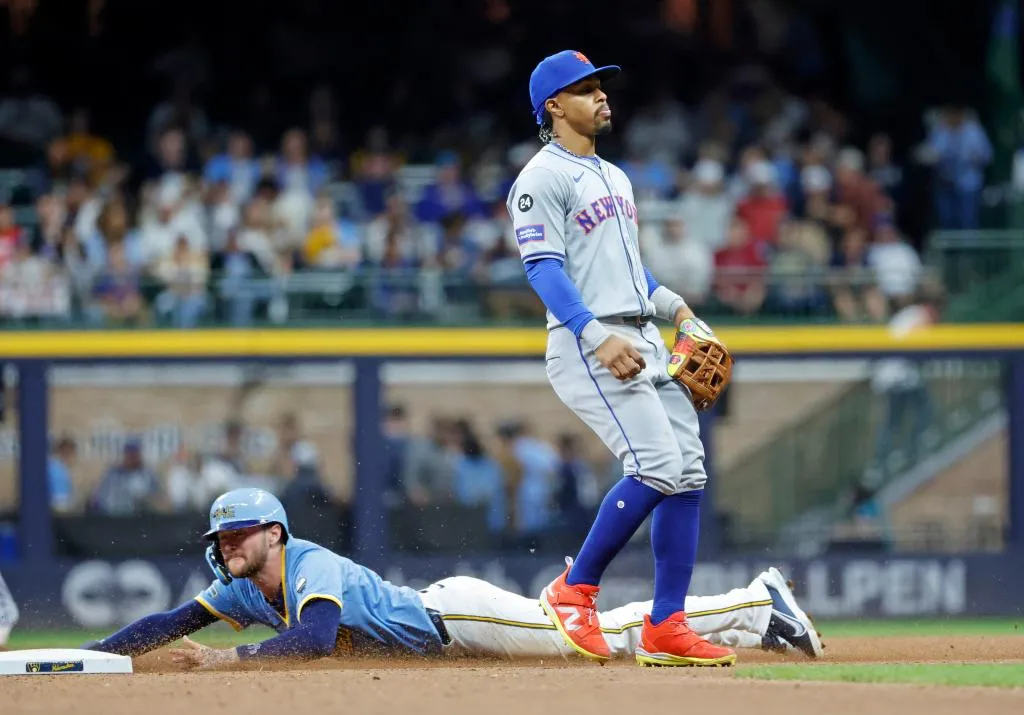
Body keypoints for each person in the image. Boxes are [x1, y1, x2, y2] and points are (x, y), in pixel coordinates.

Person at [506, 50, 736, 666]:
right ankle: (572, 591)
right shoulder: (540, 178)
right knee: (657, 464)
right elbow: (542, 269)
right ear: (554, 106)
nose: (602, 96)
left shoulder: (615, 177)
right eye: (585, 89)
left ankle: (667, 625)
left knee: (688, 473)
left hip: (641, 334)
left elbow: (631, 274)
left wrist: (678, 308)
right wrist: (592, 334)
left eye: (601, 86)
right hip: (591, 342)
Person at [81, 488, 822, 669]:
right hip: (441, 631)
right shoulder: (245, 585)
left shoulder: (306, 562)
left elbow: (310, 636)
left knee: (584, 641)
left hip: (454, 619)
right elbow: (169, 623)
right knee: (592, 639)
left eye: (237, 533)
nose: (227, 544)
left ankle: (757, 602)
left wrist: (229, 658)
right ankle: (755, 608)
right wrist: (98, 655)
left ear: (273, 532)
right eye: (221, 536)